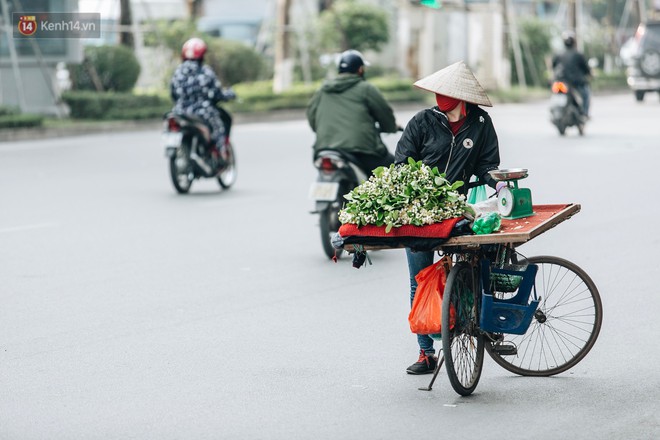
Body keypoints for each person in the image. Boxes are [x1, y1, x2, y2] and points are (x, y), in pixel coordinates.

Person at [394, 61, 502, 374]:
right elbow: (401, 163)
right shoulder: (422, 122)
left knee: (482, 261)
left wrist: (499, 182)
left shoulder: (481, 123)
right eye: (439, 93)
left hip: (459, 209)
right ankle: (425, 352)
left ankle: (483, 320)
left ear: (464, 98)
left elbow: (486, 165)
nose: (442, 99)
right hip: (421, 211)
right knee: (420, 278)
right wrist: (422, 188)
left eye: (449, 94)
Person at [307, 49, 399, 175]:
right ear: (360, 69)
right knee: (394, 170)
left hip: (324, 149)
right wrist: (391, 127)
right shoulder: (366, 89)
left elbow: (312, 117)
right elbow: (385, 113)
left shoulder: (323, 90)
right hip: (362, 150)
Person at [170, 38, 235, 158]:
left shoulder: (178, 72)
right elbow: (217, 93)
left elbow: (173, 94)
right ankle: (221, 153)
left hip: (179, 111)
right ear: (202, 56)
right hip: (201, 112)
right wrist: (229, 94)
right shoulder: (205, 71)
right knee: (219, 127)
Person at [552, 31, 592, 119]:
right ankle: (584, 114)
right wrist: (590, 74)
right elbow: (586, 68)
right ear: (574, 42)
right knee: (586, 95)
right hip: (576, 82)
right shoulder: (578, 55)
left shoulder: (558, 55)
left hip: (561, 80)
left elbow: (553, 67)